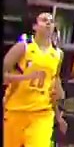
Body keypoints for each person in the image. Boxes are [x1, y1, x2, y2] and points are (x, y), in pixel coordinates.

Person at [3, 12, 69, 147]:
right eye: (44, 20)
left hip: (41, 113)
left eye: (51, 21)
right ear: (34, 26)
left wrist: (58, 116)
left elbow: (54, 85)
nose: (49, 23)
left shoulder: (57, 54)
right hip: (16, 111)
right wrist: (27, 77)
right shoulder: (23, 47)